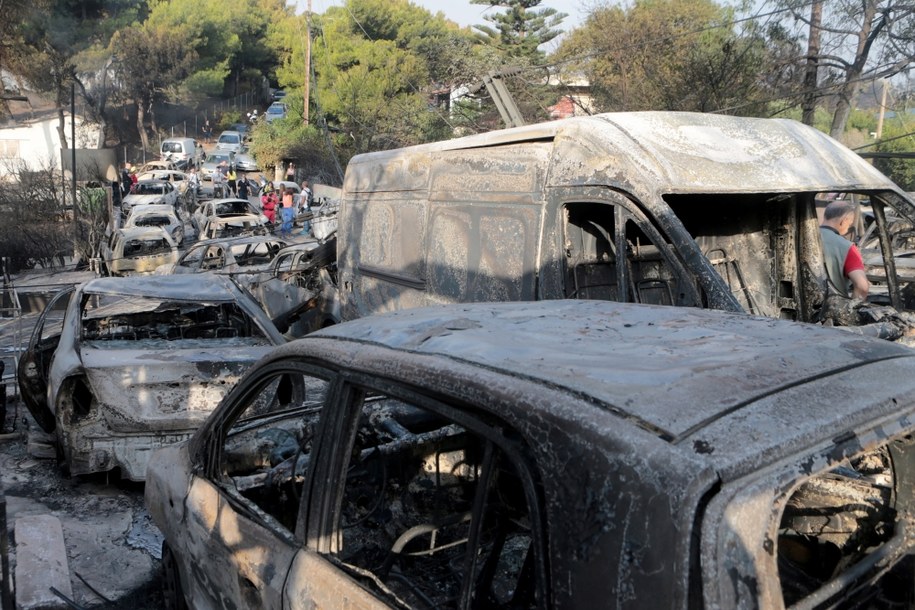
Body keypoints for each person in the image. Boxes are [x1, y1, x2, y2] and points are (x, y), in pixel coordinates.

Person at [820, 200, 869, 299]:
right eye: (849, 225)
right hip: (830, 309)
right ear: (844, 221)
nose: (847, 230)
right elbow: (862, 287)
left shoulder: (799, 238)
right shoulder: (847, 246)